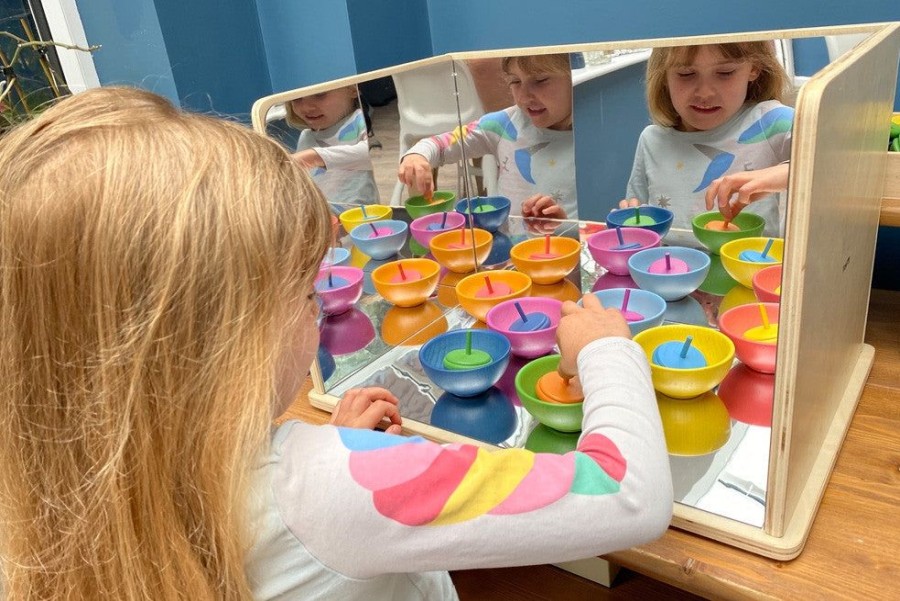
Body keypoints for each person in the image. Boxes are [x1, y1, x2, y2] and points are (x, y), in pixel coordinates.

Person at [0, 87, 672, 600]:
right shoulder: (331, 485)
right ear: (224, 339)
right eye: (300, 293)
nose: (317, 305)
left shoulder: (42, 495)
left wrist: (338, 448)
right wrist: (605, 349)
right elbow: (628, 491)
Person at [620, 42, 794, 241]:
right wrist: (630, 220)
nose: (705, 93)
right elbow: (638, 225)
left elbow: (833, 162)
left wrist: (785, 173)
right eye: (686, 74)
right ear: (664, 75)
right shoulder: (651, 140)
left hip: (747, 271)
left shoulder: (770, 121)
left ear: (754, 68)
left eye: (725, 72)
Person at [398, 53, 576, 221]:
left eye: (540, 80)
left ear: (575, 76)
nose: (524, 96)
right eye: (515, 81)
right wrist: (418, 156)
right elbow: (440, 144)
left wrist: (563, 227)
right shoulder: (504, 124)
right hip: (509, 251)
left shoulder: (594, 134)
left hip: (568, 250)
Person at [286, 85, 381, 205]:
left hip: (359, 214)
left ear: (352, 89)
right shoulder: (306, 136)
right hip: (322, 213)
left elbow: (369, 153)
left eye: (319, 94)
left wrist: (316, 156)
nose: (306, 108)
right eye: (296, 98)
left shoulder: (357, 120)